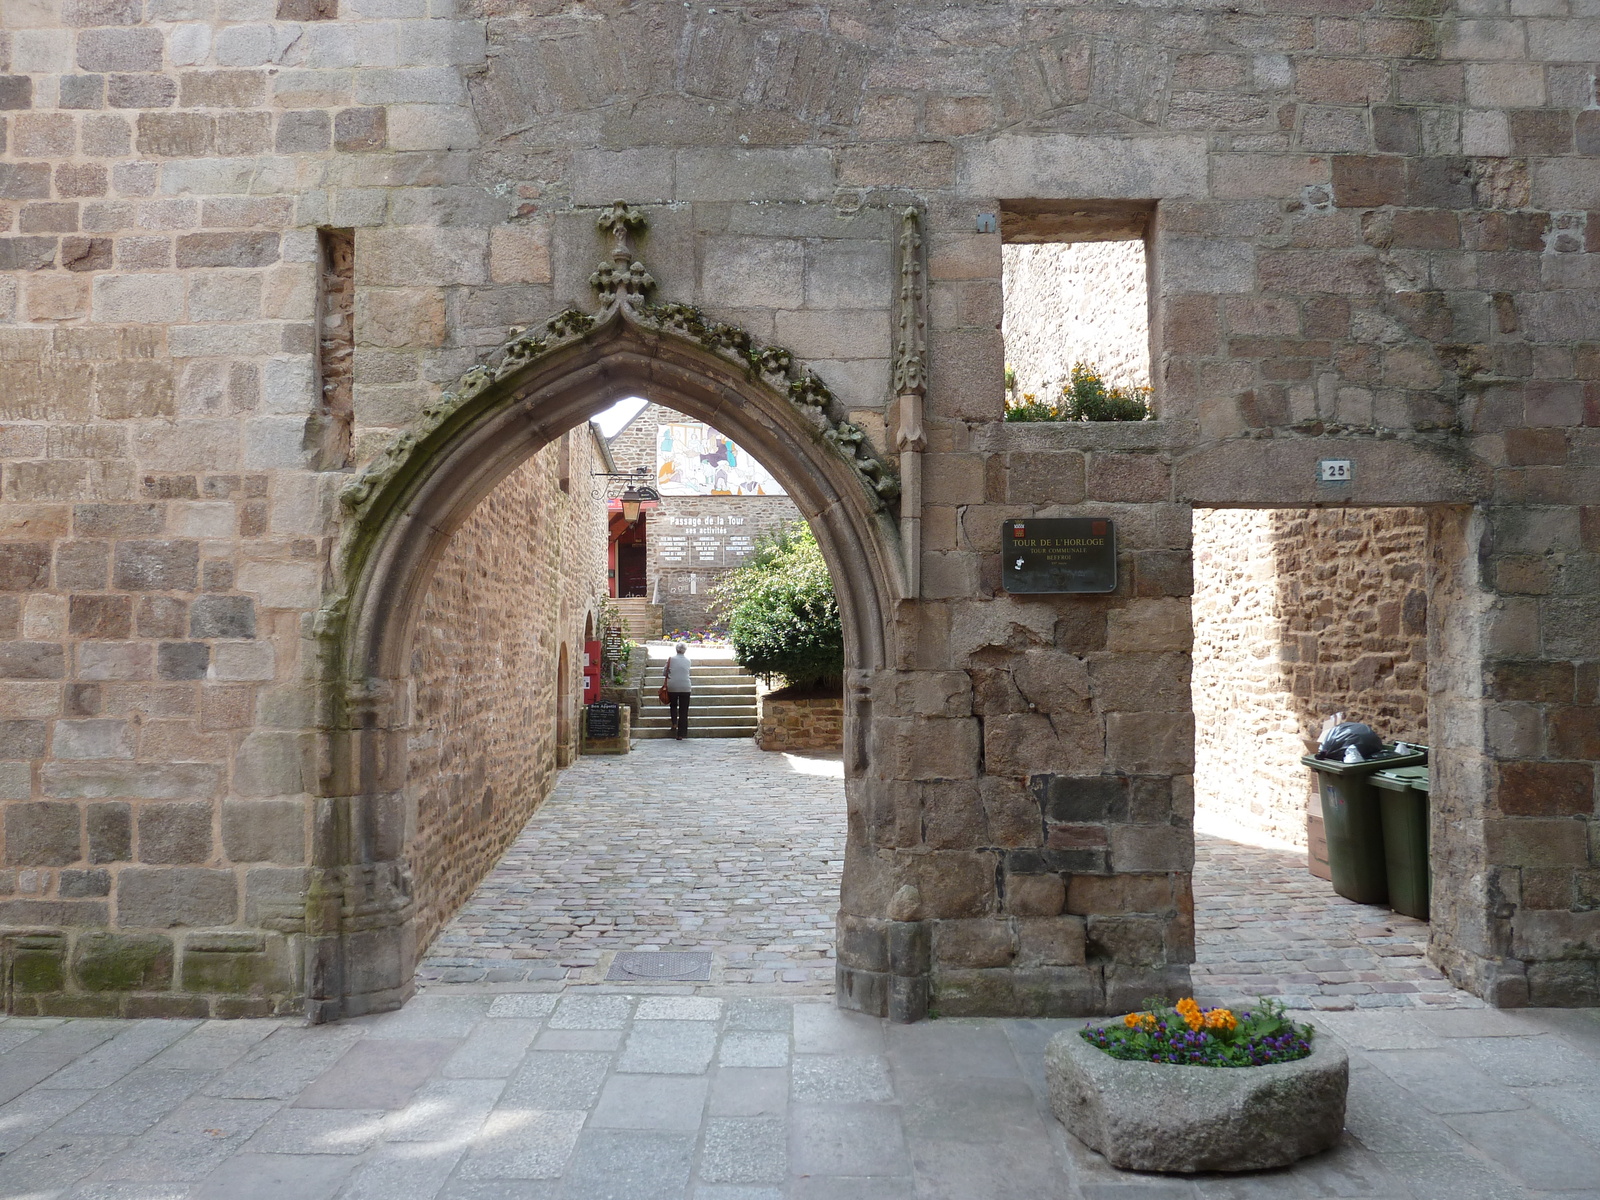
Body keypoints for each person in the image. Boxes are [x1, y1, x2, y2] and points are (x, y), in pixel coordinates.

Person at [664, 642, 692, 740]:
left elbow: (664, 672)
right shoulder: (688, 660)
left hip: (673, 686)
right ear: (685, 650)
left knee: (673, 705)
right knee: (684, 711)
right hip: (685, 687)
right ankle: (681, 734)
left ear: (676, 649)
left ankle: (674, 723)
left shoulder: (671, 659)